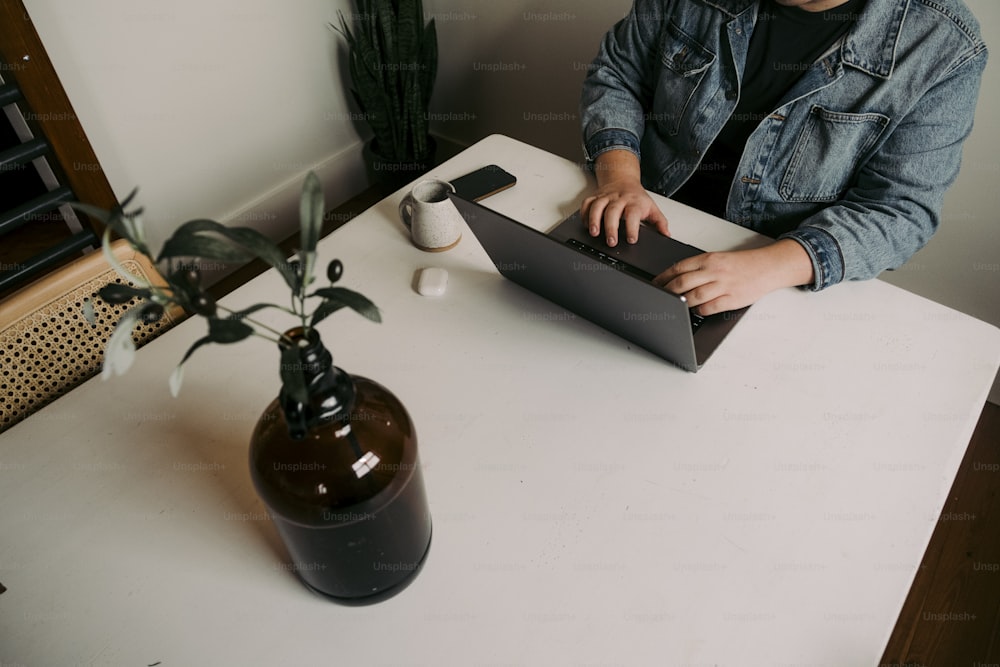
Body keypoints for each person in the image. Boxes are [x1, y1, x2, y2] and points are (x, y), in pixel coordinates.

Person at [579, 0, 988, 316]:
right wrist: (620, 179)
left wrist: (766, 268)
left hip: (779, 274)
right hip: (642, 220)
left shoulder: (943, 46)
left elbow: (900, 211)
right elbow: (618, 74)